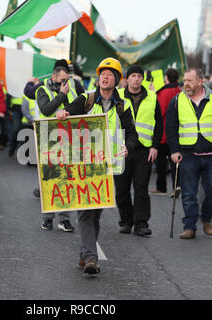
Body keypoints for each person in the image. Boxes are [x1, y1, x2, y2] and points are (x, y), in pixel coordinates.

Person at [56, 57, 137, 274]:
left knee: (95, 214)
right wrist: (63, 114)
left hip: (108, 167)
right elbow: (68, 115)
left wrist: (128, 146)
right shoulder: (86, 99)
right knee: (85, 212)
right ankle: (91, 258)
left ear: (118, 80)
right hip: (84, 165)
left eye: (110, 74)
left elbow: (131, 133)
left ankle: (85, 254)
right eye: (102, 73)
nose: (105, 77)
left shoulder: (123, 105)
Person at [166, 68, 212, 239]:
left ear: (200, 81)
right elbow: (171, 128)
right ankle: (189, 226)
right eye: (184, 80)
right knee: (189, 193)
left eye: (189, 80)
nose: (185, 84)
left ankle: (206, 218)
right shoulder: (177, 101)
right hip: (188, 155)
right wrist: (174, 150)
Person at [115, 65, 163, 236]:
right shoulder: (117, 95)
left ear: (142, 79)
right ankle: (126, 221)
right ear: (127, 79)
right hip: (122, 147)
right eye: (133, 76)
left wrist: (155, 146)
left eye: (139, 76)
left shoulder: (152, 96)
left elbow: (158, 123)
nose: (136, 79)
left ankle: (141, 223)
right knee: (121, 188)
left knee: (141, 187)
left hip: (144, 148)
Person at [35, 65, 78, 232]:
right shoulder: (42, 90)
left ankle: (64, 219)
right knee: (50, 180)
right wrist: (62, 95)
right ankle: (47, 218)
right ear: (53, 77)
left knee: (66, 180)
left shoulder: (70, 91)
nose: (65, 84)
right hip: (47, 139)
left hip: (68, 140)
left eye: (66, 80)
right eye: (62, 80)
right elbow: (46, 110)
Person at [150, 68, 181, 197]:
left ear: (166, 78)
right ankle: (177, 185)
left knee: (161, 162)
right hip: (177, 132)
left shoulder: (163, 93)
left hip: (163, 132)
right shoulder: (180, 92)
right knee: (176, 161)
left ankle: (161, 187)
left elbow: (160, 112)